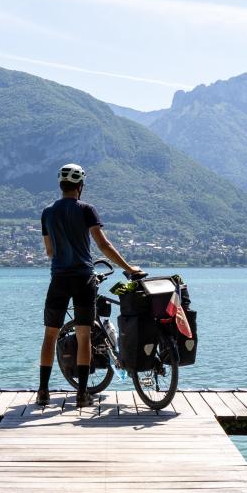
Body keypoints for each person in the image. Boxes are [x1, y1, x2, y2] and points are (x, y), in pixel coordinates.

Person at [38, 163, 143, 407]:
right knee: (84, 336)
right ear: (80, 186)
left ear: (61, 185)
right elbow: (104, 246)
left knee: (50, 335)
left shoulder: (47, 212)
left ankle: (42, 391)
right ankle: (82, 394)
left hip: (59, 279)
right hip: (83, 278)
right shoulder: (87, 210)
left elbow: (49, 251)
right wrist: (129, 268)